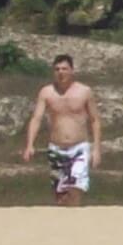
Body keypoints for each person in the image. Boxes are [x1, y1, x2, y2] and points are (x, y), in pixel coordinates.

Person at [19, 54, 103, 206]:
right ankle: (64, 225)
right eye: (57, 69)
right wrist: (29, 145)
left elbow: (95, 120)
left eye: (64, 68)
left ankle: (75, 220)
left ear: (72, 70)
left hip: (79, 147)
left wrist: (96, 149)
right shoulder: (46, 92)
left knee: (75, 189)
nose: (61, 72)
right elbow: (36, 119)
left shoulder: (84, 91)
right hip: (56, 148)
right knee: (60, 195)